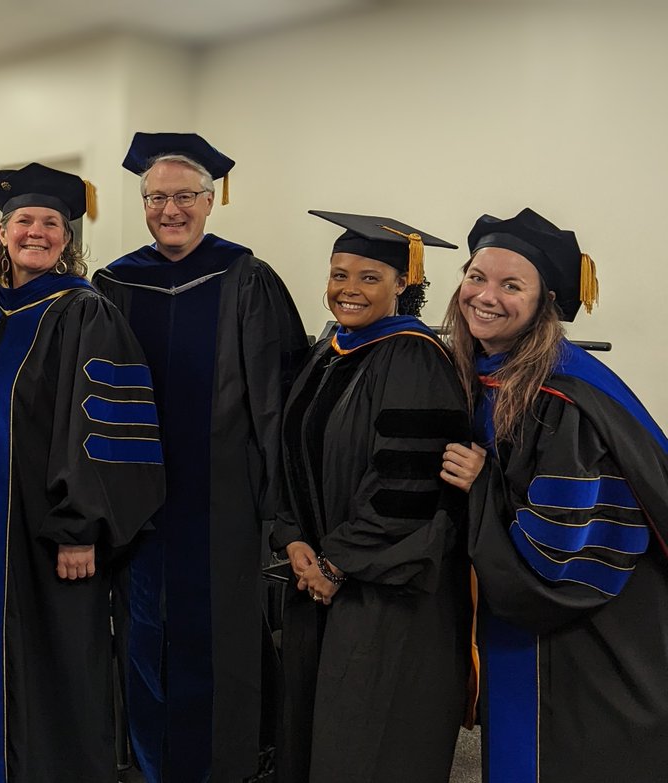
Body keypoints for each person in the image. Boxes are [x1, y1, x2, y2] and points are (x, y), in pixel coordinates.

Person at [92, 132, 308, 783]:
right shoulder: (115, 283)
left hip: (224, 504)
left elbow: (277, 403)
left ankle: (226, 766)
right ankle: (151, 765)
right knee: (143, 635)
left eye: (184, 195)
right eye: (157, 197)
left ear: (211, 201)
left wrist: (281, 509)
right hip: (140, 505)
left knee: (224, 645)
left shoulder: (246, 278)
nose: (170, 209)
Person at [0, 163, 166, 782]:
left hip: (49, 536)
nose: (36, 231)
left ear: (67, 239)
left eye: (51, 222)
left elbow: (106, 428)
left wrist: (80, 526)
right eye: (24, 221)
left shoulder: (84, 313)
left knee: (59, 666)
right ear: (2, 234)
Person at [439, 208, 668, 783]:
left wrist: (480, 485)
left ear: (545, 302)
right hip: (534, 616)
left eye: (511, 285)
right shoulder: (489, 370)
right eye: (476, 276)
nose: (484, 296)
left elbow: (560, 563)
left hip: (588, 626)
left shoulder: (561, 397)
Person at [270, 211, 472, 783]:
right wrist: (293, 540)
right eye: (338, 275)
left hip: (384, 584)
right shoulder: (327, 351)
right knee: (313, 735)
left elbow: (408, 484)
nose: (348, 290)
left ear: (402, 284)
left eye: (368, 277)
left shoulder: (413, 357)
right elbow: (291, 453)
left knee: (367, 738)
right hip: (316, 573)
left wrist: (336, 561)